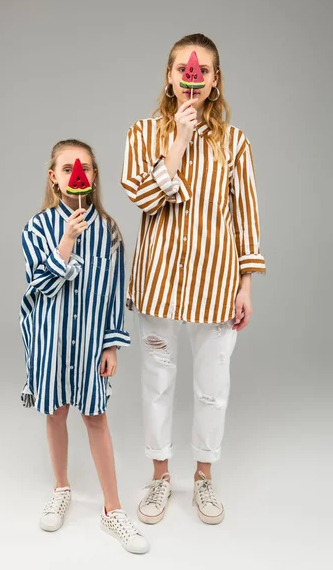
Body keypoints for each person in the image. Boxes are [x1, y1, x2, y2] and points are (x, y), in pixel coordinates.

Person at [121, 33, 266, 526]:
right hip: (159, 283)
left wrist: (246, 285)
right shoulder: (142, 134)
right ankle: (161, 475)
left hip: (217, 284)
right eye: (184, 69)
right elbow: (142, 199)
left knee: (212, 388)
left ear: (214, 81)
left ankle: (203, 476)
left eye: (202, 71)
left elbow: (245, 216)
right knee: (157, 384)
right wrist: (179, 141)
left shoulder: (235, 142)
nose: (192, 77)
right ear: (169, 76)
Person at [20, 139, 149, 554]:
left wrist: (111, 345)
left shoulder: (110, 231)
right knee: (55, 413)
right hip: (49, 342)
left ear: (93, 177)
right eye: (68, 167)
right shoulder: (37, 228)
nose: (79, 174)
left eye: (87, 168)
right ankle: (62, 488)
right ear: (54, 178)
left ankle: (113, 510)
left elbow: (115, 294)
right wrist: (67, 242)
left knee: (96, 418)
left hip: (92, 342)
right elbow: (38, 284)